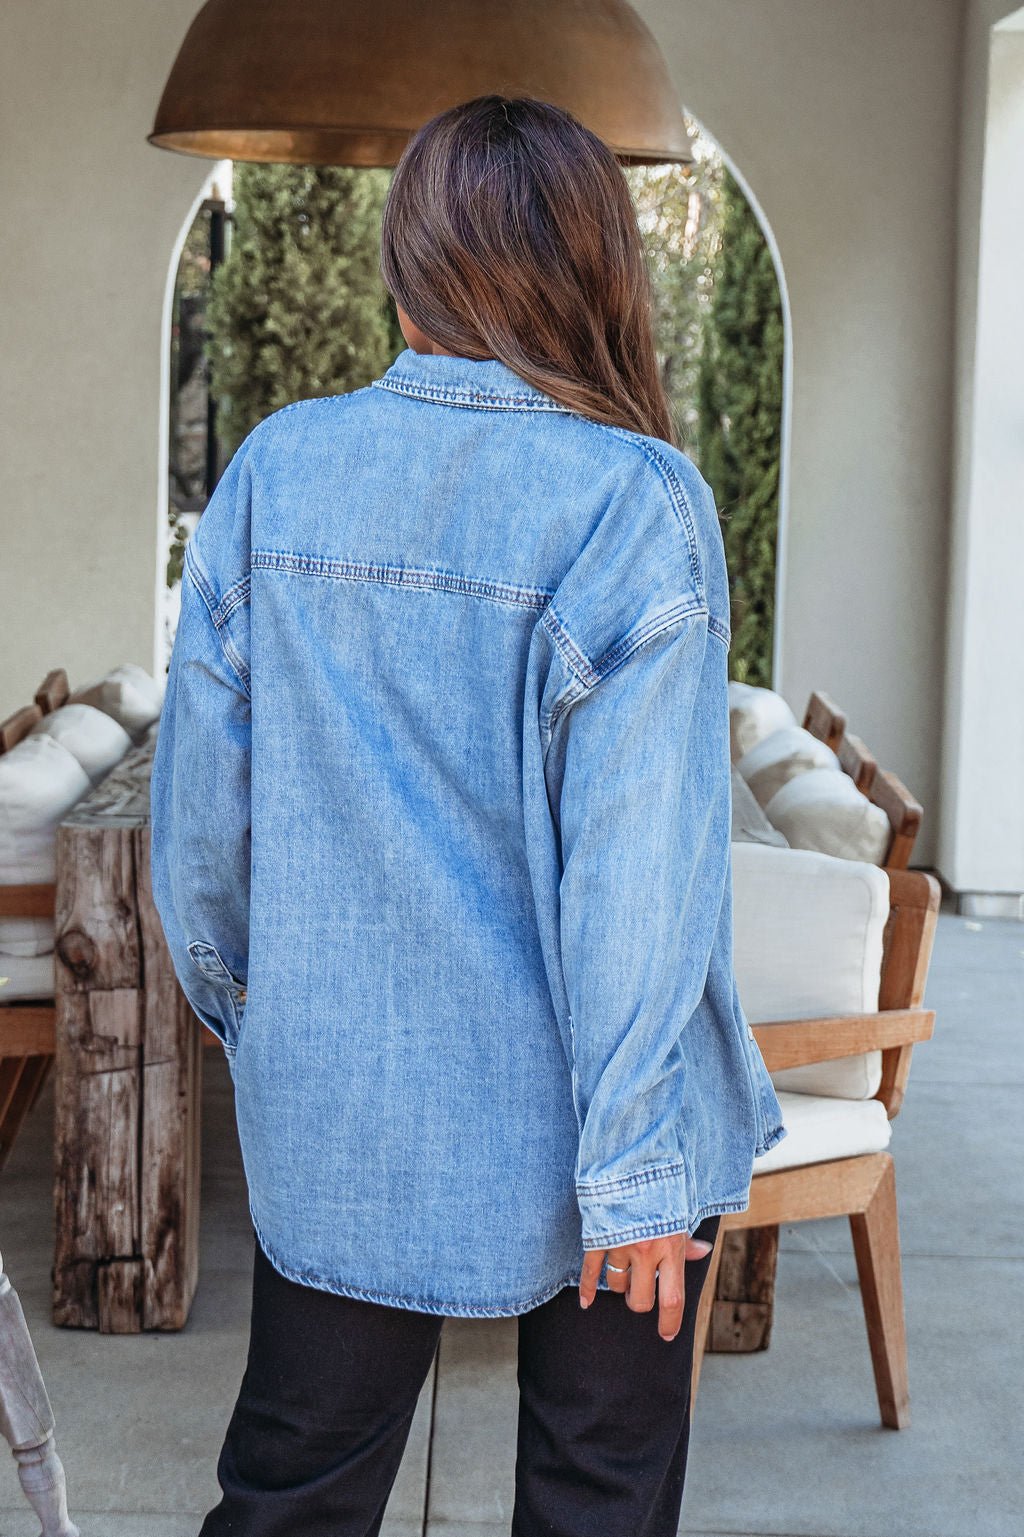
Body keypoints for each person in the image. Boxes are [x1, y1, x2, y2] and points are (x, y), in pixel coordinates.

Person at [150, 93, 786, 1537]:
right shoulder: (638, 501)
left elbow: (200, 835)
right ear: (594, 266)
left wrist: (269, 1016)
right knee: (598, 1502)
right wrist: (631, 1175)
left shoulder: (275, 472)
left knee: (291, 1499)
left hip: (351, 1110)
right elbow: (638, 875)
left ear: (411, 259)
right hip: (608, 1133)